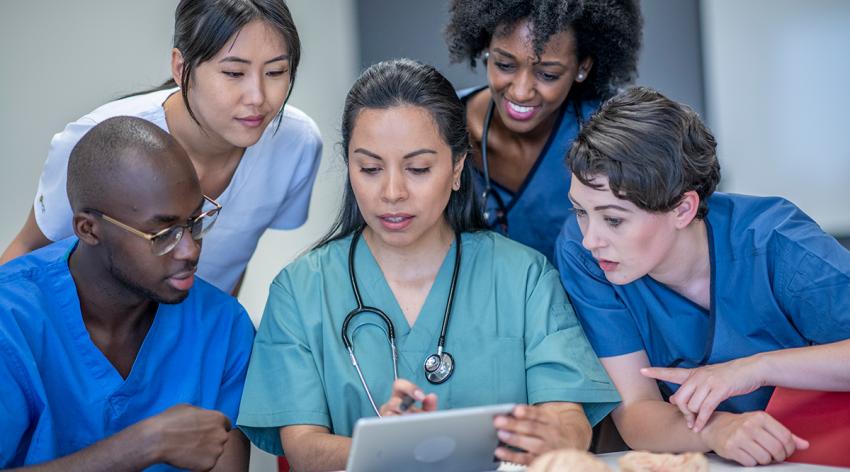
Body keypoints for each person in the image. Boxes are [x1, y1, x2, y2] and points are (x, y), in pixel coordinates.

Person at [236, 59, 620, 470]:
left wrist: (556, 434)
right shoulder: (300, 290)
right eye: (369, 168)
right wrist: (392, 449)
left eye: (418, 169)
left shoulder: (524, 277)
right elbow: (304, 449)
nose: (392, 192)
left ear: (457, 169)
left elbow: (569, 420)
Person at [555, 86, 850, 466]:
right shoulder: (583, 256)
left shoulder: (778, 243)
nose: (591, 239)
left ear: (682, 210)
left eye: (613, 219)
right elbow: (636, 410)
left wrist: (756, 368)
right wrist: (717, 429)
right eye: (580, 211)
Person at [0, 0, 322, 295]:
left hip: (192, 339)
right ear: (181, 68)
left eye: (276, 72)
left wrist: (215, 341)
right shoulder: (95, 141)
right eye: (234, 73)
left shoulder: (297, 146)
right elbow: (26, 251)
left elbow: (233, 258)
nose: (258, 97)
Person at [0, 117, 255, 470]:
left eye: (195, 223)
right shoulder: (10, 320)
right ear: (89, 229)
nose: (190, 251)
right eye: (163, 233)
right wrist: (145, 443)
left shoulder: (222, 326)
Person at [444, 0, 642, 262]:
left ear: (582, 67)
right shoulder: (441, 126)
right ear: (486, 50)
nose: (521, 92)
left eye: (548, 74)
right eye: (504, 64)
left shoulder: (619, 131)